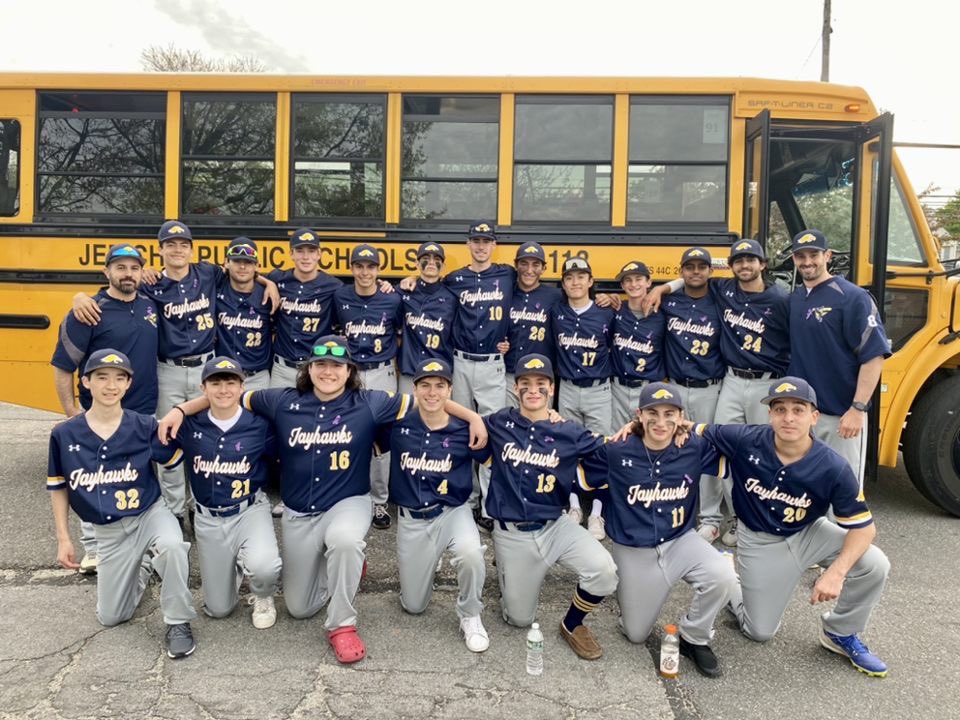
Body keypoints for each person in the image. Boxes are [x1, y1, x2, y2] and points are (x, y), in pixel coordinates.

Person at [160, 335, 485, 664]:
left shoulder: (369, 401)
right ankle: (346, 570)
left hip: (349, 502)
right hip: (299, 512)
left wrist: (473, 417)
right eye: (321, 364)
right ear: (309, 368)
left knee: (344, 540)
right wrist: (179, 410)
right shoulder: (281, 400)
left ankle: (342, 624)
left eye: (336, 365)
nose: (328, 371)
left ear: (349, 371)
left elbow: (427, 401)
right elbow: (227, 396)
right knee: (299, 608)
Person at [692, 376, 890, 677]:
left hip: (810, 534)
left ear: (814, 417)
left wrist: (836, 573)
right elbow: (691, 429)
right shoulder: (745, 438)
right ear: (769, 414)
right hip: (759, 541)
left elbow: (864, 529)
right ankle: (729, 579)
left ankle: (839, 632)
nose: (788, 417)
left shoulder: (833, 465)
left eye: (798, 409)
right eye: (779, 409)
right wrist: (639, 429)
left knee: (874, 563)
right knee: (759, 632)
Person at [47, 349, 196, 659]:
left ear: (128, 384)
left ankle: (178, 622)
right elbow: (58, 487)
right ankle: (142, 565)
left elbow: (178, 460)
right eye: (102, 377)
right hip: (109, 531)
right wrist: (64, 537)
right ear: (86, 381)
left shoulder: (143, 425)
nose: (110, 385)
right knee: (113, 616)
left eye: (119, 378)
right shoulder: (64, 434)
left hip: (148, 514)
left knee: (171, 545)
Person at [583, 382, 737, 677]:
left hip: (681, 541)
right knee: (635, 634)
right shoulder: (616, 449)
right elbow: (579, 464)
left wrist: (696, 429)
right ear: (638, 414)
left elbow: (738, 449)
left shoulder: (692, 445)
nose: (661, 421)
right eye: (652, 412)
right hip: (633, 549)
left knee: (723, 576)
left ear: (681, 416)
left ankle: (694, 636)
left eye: (670, 413)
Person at [645, 238, 790, 546]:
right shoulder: (724, 291)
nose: (745, 265)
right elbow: (682, 283)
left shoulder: (776, 298)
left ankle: (750, 517)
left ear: (763, 264)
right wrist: (660, 288)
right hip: (725, 382)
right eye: (739, 260)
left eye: (751, 260)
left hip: (744, 383)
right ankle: (709, 518)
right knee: (715, 450)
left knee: (755, 452)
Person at [483, 353, 618, 661]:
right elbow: (462, 422)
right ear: (515, 388)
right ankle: (506, 566)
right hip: (512, 532)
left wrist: (634, 431)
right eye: (526, 383)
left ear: (552, 388)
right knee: (519, 619)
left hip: (556, 526)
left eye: (541, 383)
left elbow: (612, 451)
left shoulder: (568, 431)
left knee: (605, 570)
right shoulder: (498, 423)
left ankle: (572, 624)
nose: (533, 389)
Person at [51, 243, 160, 574]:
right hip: (98, 410)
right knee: (96, 476)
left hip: (141, 410)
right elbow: (62, 365)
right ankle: (94, 548)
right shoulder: (89, 311)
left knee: (136, 476)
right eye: (121, 268)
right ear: (106, 272)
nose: (128, 274)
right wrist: (71, 410)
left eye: (134, 268)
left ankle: (142, 544)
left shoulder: (148, 303)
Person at [388, 357, 489, 652]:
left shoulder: (465, 429)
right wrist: (473, 415)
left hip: (452, 512)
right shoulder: (395, 424)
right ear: (415, 389)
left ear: (450, 390)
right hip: (412, 519)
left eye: (440, 386)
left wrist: (475, 418)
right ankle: (430, 560)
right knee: (414, 606)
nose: (432, 393)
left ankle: (470, 614)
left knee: (471, 554)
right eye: (425, 386)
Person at [177, 356, 281, 629]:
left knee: (265, 567)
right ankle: (232, 566)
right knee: (219, 609)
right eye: (216, 383)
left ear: (241, 386)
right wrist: (177, 411)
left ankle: (262, 595)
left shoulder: (259, 424)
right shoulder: (190, 424)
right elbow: (160, 450)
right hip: (208, 517)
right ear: (203, 388)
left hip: (249, 508)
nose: (223, 390)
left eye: (230, 383)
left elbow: (281, 458)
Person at [787, 229, 891, 483]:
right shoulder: (796, 298)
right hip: (805, 414)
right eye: (801, 256)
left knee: (843, 491)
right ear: (793, 259)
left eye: (814, 254)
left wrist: (857, 408)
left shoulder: (853, 297)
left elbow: (874, 355)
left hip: (840, 415)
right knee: (806, 489)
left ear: (828, 256)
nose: (807, 261)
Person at [443, 221, 514, 531]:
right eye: (476, 240)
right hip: (460, 362)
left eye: (486, 241)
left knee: (490, 433)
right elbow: (426, 289)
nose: (481, 246)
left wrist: (606, 297)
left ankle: (488, 505)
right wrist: (403, 281)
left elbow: (530, 300)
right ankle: (465, 500)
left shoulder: (507, 274)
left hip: (492, 364)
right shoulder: (453, 279)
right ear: (468, 244)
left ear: (494, 245)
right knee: (460, 430)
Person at [658, 247, 725, 544]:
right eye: (690, 267)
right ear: (682, 271)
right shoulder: (670, 301)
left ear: (710, 271)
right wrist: (664, 286)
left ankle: (711, 518)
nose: (696, 271)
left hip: (709, 387)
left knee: (708, 451)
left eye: (702, 266)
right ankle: (672, 511)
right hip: (676, 388)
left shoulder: (722, 299)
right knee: (672, 450)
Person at [334, 243, 403, 530]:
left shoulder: (392, 299)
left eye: (371, 266)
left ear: (378, 269)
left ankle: (379, 502)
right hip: (349, 374)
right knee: (342, 434)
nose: (365, 271)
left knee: (381, 440)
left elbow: (399, 335)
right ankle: (343, 496)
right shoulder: (340, 296)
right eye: (359, 266)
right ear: (352, 268)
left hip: (381, 372)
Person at [550, 257, 614, 540]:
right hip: (568, 387)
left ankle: (597, 513)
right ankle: (575, 506)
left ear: (590, 281)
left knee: (601, 452)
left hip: (599, 389)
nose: (575, 282)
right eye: (569, 278)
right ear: (563, 284)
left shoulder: (606, 313)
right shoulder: (557, 312)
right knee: (569, 450)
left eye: (581, 277)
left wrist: (613, 299)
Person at [267, 228, 343, 389]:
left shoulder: (333, 286)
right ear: (291, 254)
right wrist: (267, 283)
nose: (306, 257)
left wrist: (382, 284)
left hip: (315, 367)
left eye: (311, 250)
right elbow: (246, 275)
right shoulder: (278, 279)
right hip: (281, 369)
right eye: (300, 251)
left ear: (319, 254)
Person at [501, 241, 562, 407]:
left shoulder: (556, 296)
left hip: (541, 376)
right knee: (509, 426)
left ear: (543, 268)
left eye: (536, 264)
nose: (529, 270)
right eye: (524, 263)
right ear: (516, 266)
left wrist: (607, 298)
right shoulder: (505, 294)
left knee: (541, 426)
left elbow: (581, 304)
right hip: (508, 375)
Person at [609, 260, 666, 428]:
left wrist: (661, 289)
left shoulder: (662, 314)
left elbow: (684, 282)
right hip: (617, 388)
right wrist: (602, 296)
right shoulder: (615, 309)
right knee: (616, 439)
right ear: (622, 285)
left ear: (648, 282)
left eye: (638, 279)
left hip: (648, 388)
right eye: (628, 280)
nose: (633, 284)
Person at [396, 241, 456, 395]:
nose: (431, 262)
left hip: (440, 371)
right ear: (416, 263)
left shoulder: (451, 297)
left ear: (442, 266)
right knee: (406, 416)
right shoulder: (402, 292)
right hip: (409, 370)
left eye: (436, 259)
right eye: (425, 258)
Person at [215, 237, 274, 391]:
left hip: (258, 377)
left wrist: (269, 284)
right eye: (237, 261)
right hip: (223, 376)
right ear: (227, 263)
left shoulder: (269, 296)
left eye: (248, 262)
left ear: (256, 266)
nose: (242, 266)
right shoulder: (215, 287)